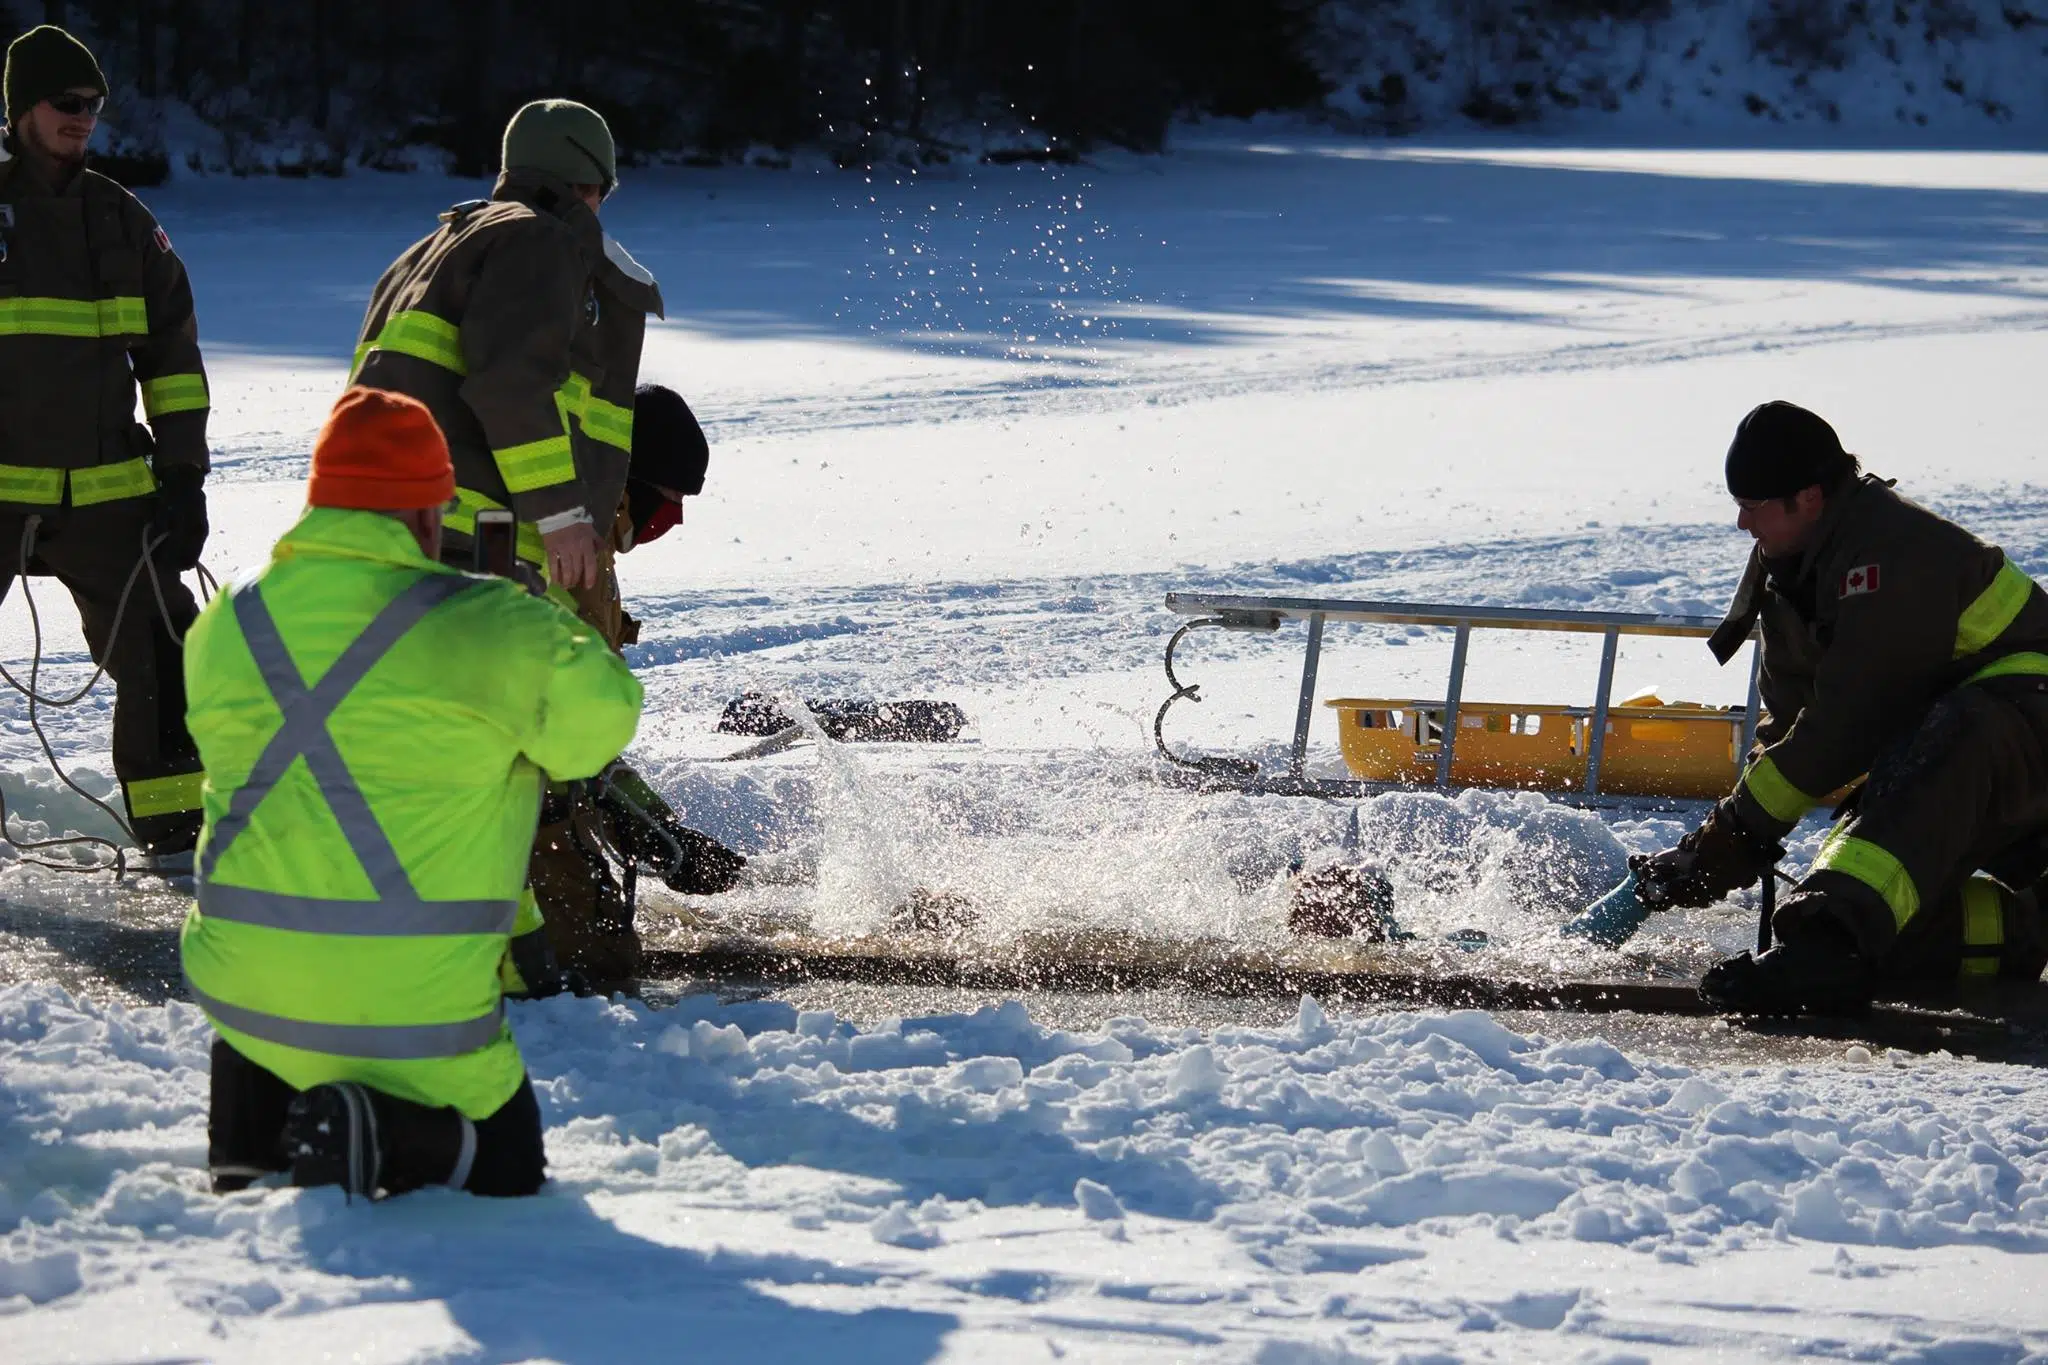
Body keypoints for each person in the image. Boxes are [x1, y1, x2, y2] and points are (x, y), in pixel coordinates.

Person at [180, 388, 642, 1198]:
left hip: (241, 989)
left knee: (271, 988)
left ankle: (250, 1134)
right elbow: (604, 721)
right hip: (416, 1008)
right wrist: (541, 621)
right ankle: (370, 1135)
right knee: (508, 1162)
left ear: (320, 503)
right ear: (431, 515)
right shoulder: (486, 624)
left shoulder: (226, 621)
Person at [1631, 401, 2048, 1014]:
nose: (1742, 523)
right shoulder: (1786, 568)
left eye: (1753, 506)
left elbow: (1848, 724)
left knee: (1859, 885)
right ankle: (2023, 929)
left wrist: (1739, 835)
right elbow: (1790, 726)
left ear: (1809, 497)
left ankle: (1829, 950)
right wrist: (1717, 846)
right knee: (1871, 906)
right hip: (1962, 748)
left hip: (2021, 725)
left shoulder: (1894, 551)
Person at [0, 24, 211, 855]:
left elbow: (174, 362)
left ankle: (176, 839)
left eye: (93, 105)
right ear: (21, 110)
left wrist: (184, 478)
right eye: (65, 103)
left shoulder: (124, 221)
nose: (82, 118)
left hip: (107, 498)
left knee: (168, 653)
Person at [528, 382, 745, 981]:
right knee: (597, 968)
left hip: (538, 792)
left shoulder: (590, 554)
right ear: (627, 480)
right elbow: (545, 724)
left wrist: (657, 826)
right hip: (506, 801)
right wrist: (639, 824)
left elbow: (587, 737)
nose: (670, 518)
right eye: (667, 497)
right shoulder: (567, 556)